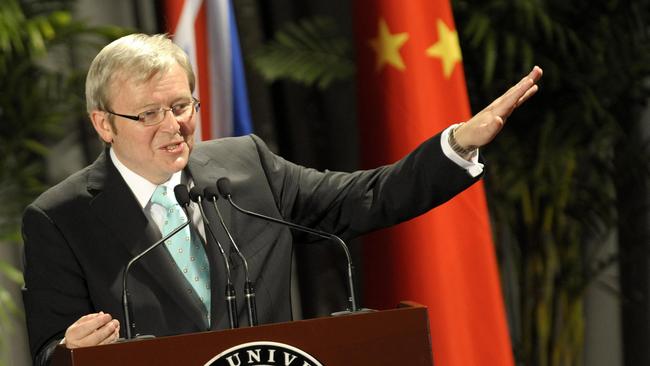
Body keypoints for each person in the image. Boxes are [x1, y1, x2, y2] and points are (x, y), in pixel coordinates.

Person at [21, 33, 542, 365]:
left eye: (182, 105)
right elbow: (48, 350)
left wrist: (457, 146)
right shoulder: (60, 218)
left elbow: (365, 198)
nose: (174, 125)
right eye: (150, 114)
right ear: (104, 124)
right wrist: (70, 354)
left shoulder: (245, 167)